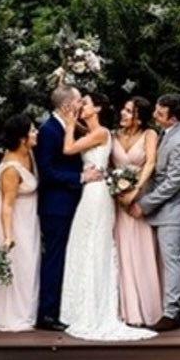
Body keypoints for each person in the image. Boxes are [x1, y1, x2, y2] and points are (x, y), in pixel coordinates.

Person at [59, 93, 157, 341]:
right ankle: (84, 303)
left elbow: (68, 148)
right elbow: (87, 134)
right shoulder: (104, 133)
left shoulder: (102, 133)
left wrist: (69, 125)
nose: (81, 107)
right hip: (93, 191)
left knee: (95, 244)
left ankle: (96, 307)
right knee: (85, 243)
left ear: (98, 108)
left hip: (97, 194)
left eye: (85, 103)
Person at [35, 85, 102, 332]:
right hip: (56, 206)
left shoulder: (69, 127)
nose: (81, 104)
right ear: (67, 106)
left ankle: (65, 308)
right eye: (78, 101)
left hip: (73, 203)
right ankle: (47, 314)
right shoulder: (49, 130)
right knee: (55, 258)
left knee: (68, 257)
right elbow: (47, 171)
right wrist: (81, 177)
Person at [127, 93, 180, 332]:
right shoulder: (170, 132)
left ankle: (171, 313)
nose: (155, 115)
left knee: (172, 261)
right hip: (166, 209)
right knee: (173, 259)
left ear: (173, 118)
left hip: (174, 210)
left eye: (160, 113)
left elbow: (174, 182)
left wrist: (145, 203)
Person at [112, 97, 162, 327]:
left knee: (142, 250)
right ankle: (125, 309)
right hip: (117, 201)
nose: (123, 113)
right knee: (121, 250)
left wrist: (135, 191)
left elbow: (150, 163)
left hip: (139, 200)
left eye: (129, 111)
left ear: (139, 117)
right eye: (124, 109)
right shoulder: (113, 135)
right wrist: (116, 190)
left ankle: (146, 308)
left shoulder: (149, 135)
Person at [0, 114, 41, 332]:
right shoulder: (11, 168)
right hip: (12, 217)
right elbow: (7, 205)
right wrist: (8, 235)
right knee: (17, 263)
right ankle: (12, 316)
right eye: (32, 130)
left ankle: (28, 312)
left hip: (28, 216)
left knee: (29, 264)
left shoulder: (29, 153)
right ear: (22, 138)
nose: (36, 133)